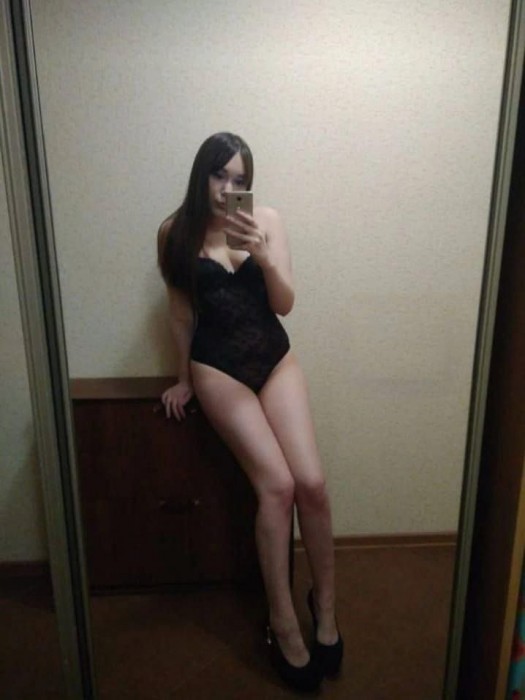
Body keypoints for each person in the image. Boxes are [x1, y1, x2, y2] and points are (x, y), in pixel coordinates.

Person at [157, 132, 343, 692]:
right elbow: (181, 314)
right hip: (218, 367)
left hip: (274, 358)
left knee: (312, 484)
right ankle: (282, 623)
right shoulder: (174, 233)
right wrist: (183, 378)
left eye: (239, 179)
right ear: (202, 175)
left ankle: (325, 605)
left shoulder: (267, 221)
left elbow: (284, 304)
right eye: (219, 175)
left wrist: (263, 256)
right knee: (277, 487)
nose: (227, 189)